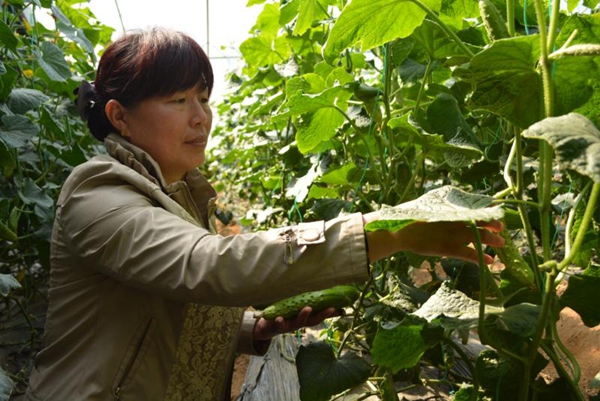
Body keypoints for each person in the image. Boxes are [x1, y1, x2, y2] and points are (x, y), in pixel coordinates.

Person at [25, 28, 504, 401]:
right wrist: (387, 232)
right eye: (177, 100)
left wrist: (248, 329)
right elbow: (206, 264)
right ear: (119, 117)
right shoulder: (97, 190)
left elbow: (151, 310)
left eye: (203, 98)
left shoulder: (178, 196)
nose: (201, 116)